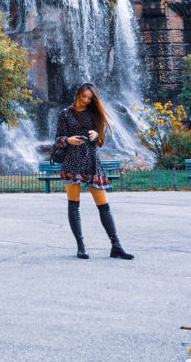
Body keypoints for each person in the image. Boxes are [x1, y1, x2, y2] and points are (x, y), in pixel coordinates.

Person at [54, 83, 134, 261]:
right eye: (83, 96)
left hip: (91, 162)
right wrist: (69, 140)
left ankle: (116, 246)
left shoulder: (93, 114)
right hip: (72, 162)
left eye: (89, 98)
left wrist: (96, 135)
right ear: (77, 94)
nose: (85, 100)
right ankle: (81, 246)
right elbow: (58, 139)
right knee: (74, 206)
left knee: (104, 206)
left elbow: (100, 142)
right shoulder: (65, 114)